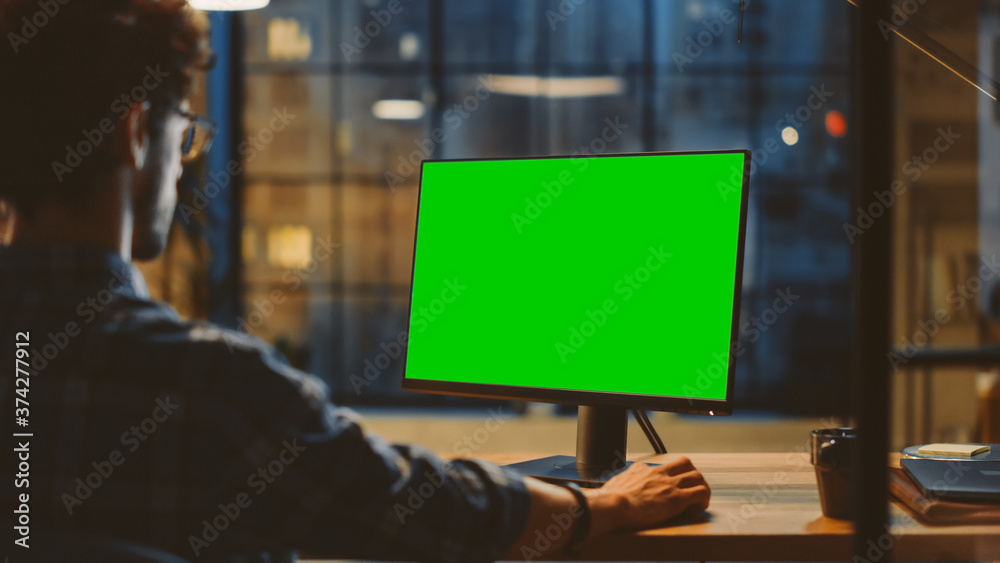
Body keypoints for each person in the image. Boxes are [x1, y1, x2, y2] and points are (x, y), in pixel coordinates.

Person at [0, 1, 710, 561]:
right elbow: (425, 510)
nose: (185, 160)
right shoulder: (207, 384)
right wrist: (610, 506)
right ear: (133, 133)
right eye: (184, 133)